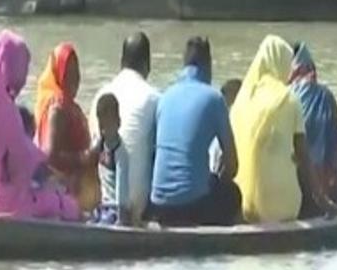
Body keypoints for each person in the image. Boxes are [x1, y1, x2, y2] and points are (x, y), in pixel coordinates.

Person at [231, 35, 337, 223]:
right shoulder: (288, 99)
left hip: (242, 207)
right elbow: (304, 157)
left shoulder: (240, 101)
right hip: (281, 210)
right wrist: (324, 202)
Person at [0, 30, 80, 221]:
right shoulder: (6, 111)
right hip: (11, 201)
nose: (25, 76)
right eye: (23, 68)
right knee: (68, 205)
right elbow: (22, 157)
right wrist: (45, 167)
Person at [149, 37, 240, 226]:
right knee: (232, 194)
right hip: (192, 206)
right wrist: (217, 181)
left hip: (159, 204)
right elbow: (232, 164)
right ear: (208, 65)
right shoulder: (214, 98)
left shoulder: (164, 98)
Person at [88, 32, 159, 225]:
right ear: (148, 65)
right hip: (136, 208)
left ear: (121, 62)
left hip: (101, 205)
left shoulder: (100, 96)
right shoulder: (153, 98)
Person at [36, 43, 101, 213]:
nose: (75, 78)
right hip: (65, 189)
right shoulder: (57, 108)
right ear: (59, 74)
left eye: (76, 72)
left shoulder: (69, 106)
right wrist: (83, 157)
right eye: (68, 73)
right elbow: (50, 155)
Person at [289, 42, 337, 210]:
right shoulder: (326, 96)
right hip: (322, 192)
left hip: (289, 192)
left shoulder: (280, 98)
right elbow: (335, 153)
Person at [91, 93, 131, 225]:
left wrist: (121, 221)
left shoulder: (120, 153)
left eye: (108, 125)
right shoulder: (100, 144)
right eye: (101, 125)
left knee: (103, 223)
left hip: (115, 209)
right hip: (102, 206)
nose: (104, 130)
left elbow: (122, 192)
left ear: (118, 122)